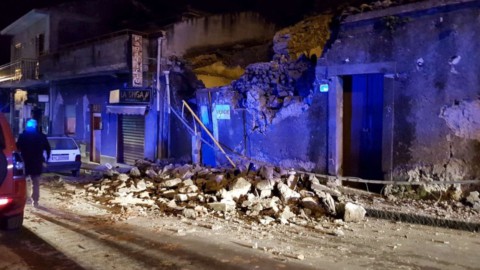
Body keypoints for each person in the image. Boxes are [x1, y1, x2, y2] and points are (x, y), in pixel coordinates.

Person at [16, 119, 51, 208]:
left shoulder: (22, 136)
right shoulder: (41, 136)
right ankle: (35, 201)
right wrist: (47, 159)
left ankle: (25, 198)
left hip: (25, 162)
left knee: (23, 181)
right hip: (37, 163)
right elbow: (48, 148)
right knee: (35, 182)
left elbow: (17, 148)